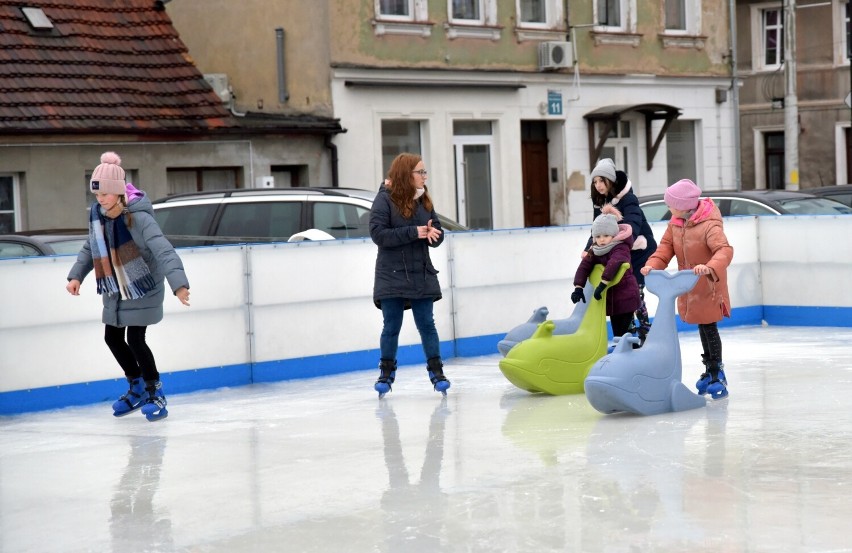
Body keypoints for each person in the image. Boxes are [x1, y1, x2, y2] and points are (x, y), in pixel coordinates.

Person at [66, 152, 190, 421]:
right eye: (96, 195)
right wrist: (77, 275)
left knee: (135, 338)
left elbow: (163, 250)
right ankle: (136, 386)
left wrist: (178, 284)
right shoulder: (99, 216)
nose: (100, 200)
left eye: (105, 195)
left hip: (142, 285)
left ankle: (154, 391)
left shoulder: (140, 218)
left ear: (119, 193)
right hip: (116, 287)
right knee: (112, 338)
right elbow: (91, 247)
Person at [640, 178, 733, 399]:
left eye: (670, 204)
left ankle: (716, 371)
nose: (668, 207)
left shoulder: (709, 225)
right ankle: (710, 368)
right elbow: (664, 249)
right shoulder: (675, 224)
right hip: (690, 286)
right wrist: (651, 265)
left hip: (709, 285)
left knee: (709, 327)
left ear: (683, 206)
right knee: (703, 327)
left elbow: (724, 250)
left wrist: (709, 267)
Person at [369, 152, 450, 396]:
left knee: (427, 324)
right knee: (391, 325)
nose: (425, 176)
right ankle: (386, 373)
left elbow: (436, 229)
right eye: (420, 172)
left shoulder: (423, 199)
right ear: (407, 174)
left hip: (420, 272)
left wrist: (434, 234)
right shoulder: (384, 199)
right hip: (391, 274)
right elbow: (378, 234)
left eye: (425, 172)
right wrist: (414, 232)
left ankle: (437, 371)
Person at [585, 158, 657, 344]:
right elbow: (598, 229)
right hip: (620, 252)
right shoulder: (601, 203)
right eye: (595, 182)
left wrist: (616, 241)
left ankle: (644, 332)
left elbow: (633, 224)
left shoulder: (628, 199)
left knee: (634, 292)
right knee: (622, 293)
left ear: (611, 181)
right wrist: (589, 249)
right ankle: (629, 331)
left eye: (602, 181)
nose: (598, 185)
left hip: (639, 251)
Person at [572, 213, 641, 343]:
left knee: (624, 329)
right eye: (598, 236)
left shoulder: (621, 247)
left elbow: (614, 263)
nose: (602, 240)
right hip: (612, 299)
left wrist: (603, 284)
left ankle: (630, 350)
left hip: (626, 295)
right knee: (617, 330)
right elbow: (584, 266)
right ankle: (622, 350)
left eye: (606, 236)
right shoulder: (596, 249)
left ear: (614, 235)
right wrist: (578, 287)